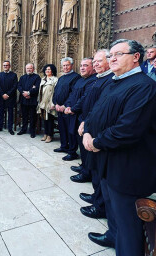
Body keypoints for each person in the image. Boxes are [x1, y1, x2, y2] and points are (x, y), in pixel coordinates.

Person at [83, 39, 156, 255]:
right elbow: (97, 111)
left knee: (128, 224)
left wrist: (96, 142)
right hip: (109, 162)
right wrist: (87, 128)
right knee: (114, 212)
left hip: (128, 168)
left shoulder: (144, 86)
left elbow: (128, 129)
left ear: (136, 57)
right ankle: (112, 236)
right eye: (110, 55)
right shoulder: (116, 81)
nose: (112, 58)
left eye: (118, 54)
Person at [71, 50, 113, 223]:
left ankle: (100, 205)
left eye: (98, 61)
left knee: (99, 171)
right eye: (93, 61)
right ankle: (97, 197)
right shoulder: (100, 78)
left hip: (96, 132)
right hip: (88, 126)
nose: (95, 64)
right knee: (94, 170)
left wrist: (87, 123)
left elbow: (100, 108)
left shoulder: (109, 80)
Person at [64, 58, 96, 162]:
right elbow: (72, 94)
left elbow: (85, 98)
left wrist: (73, 109)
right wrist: (68, 105)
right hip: (73, 113)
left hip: (82, 115)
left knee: (84, 141)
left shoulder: (93, 80)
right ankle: (82, 165)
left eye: (85, 65)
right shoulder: (80, 80)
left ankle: (86, 169)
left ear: (93, 67)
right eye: (81, 65)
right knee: (75, 136)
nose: (82, 68)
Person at [52, 57, 80, 155]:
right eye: (63, 65)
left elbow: (73, 94)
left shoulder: (76, 77)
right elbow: (55, 92)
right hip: (59, 108)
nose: (65, 67)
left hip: (68, 109)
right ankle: (64, 146)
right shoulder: (61, 78)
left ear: (72, 65)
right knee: (62, 129)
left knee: (70, 130)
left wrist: (64, 105)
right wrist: (55, 103)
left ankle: (72, 151)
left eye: (67, 65)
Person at [17, 63, 41, 138]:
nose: (29, 70)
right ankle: (23, 129)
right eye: (27, 68)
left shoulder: (37, 77)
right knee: (24, 116)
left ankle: (32, 131)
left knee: (32, 116)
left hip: (32, 100)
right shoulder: (22, 77)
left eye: (30, 68)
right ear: (25, 69)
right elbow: (19, 86)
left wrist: (29, 92)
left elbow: (37, 88)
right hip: (23, 99)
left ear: (33, 69)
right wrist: (23, 92)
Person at [0, 60, 18, 135]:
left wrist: (7, 94)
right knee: (1, 113)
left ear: (9, 66)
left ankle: (10, 128)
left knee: (10, 113)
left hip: (10, 97)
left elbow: (15, 86)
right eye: (4, 65)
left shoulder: (14, 75)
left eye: (7, 65)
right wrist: (2, 94)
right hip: (1, 97)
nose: (5, 66)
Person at [37, 64, 58, 143]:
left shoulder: (55, 80)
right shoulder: (43, 79)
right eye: (46, 69)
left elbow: (55, 92)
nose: (47, 71)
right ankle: (45, 134)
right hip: (42, 102)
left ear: (52, 71)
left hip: (50, 102)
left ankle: (50, 135)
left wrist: (53, 103)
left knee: (50, 119)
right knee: (44, 119)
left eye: (49, 69)